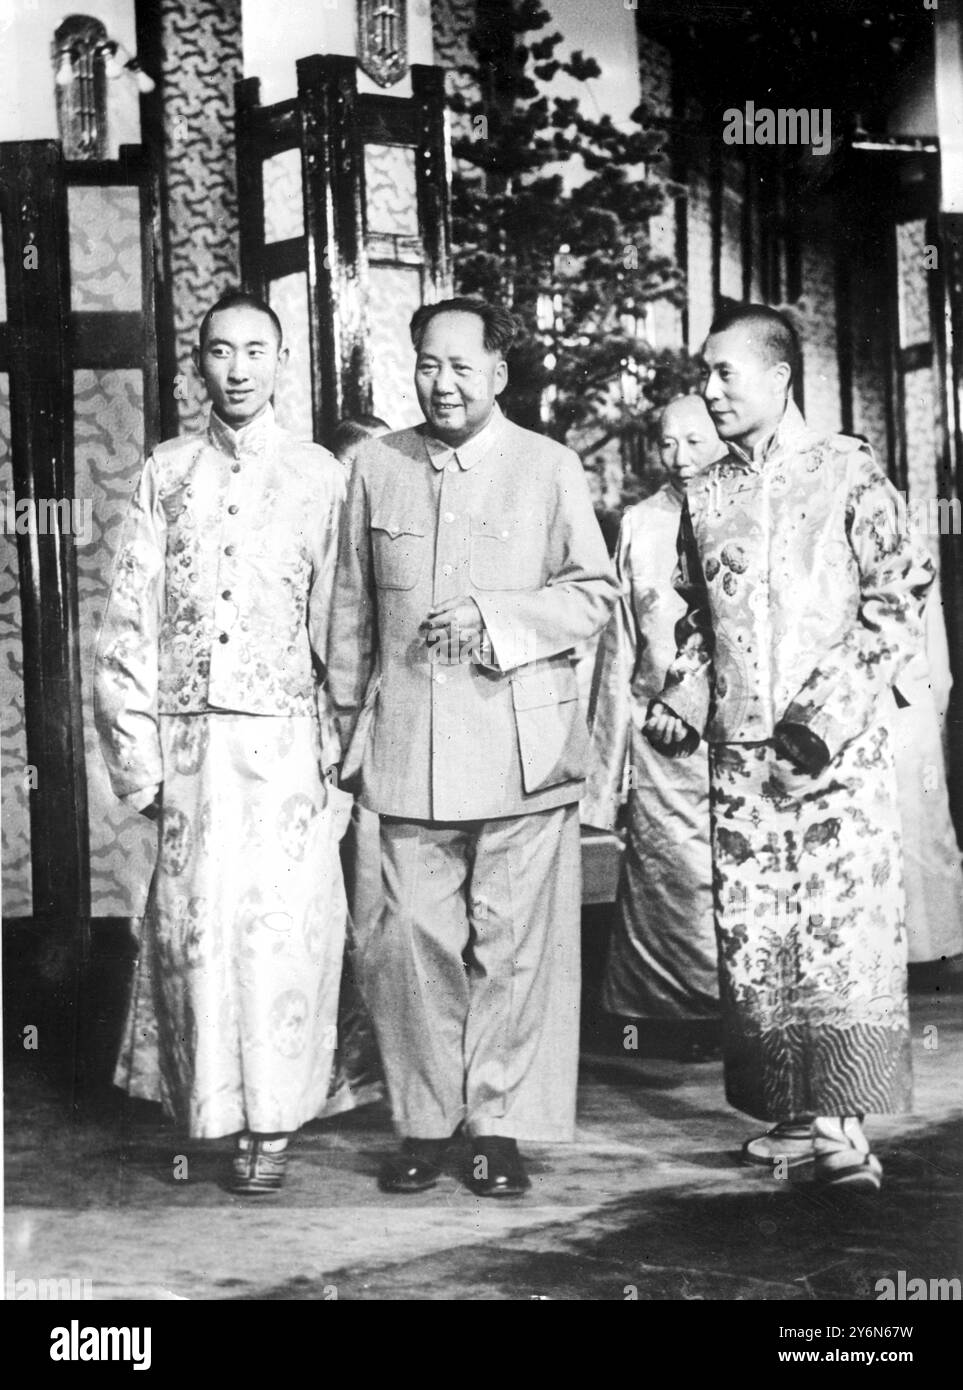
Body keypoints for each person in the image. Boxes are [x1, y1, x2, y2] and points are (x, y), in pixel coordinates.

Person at [327, 296, 619, 1197]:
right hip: (408, 748)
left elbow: (592, 595)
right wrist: (341, 736)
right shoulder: (376, 465)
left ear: (498, 374)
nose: (441, 382)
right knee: (411, 945)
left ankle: (497, 1126)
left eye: (460, 366)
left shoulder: (548, 467)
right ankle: (425, 1122)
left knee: (514, 950)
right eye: (426, 364)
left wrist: (499, 618)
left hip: (521, 751)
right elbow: (348, 610)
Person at [645, 303, 934, 1191]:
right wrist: (682, 705)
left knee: (838, 933)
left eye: (724, 374)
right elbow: (699, 625)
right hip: (739, 760)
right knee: (760, 937)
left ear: (778, 378)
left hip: (833, 755)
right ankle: (797, 1114)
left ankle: (846, 1128)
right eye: (703, 375)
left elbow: (898, 596)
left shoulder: (848, 471)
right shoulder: (704, 495)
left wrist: (816, 725)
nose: (709, 391)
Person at [94, 289, 350, 1195]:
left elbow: (342, 627)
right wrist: (140, 759)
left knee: (280, 936)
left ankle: (273, 1126)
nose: (236, 370)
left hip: (286, 745)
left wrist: (340, 759)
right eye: (218, 352)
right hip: (191, 748)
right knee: (196, 931)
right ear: (197, 362)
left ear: (280, 363)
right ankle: (210, 1113)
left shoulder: (322, 476)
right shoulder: (166, 472)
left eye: (255, 352)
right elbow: (129, 619)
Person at [583, 396, 726, 1050]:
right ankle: (663, 1019)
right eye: (668, 444)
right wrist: (605, 762)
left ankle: (736, 1017)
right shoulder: (641, 522)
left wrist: (690, 699)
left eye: (696, 440)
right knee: (663, 878)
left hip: (731, 728)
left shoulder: (751, 510)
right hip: (653, 730)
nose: (681, 457)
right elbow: (618, 639)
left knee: (726, 876)